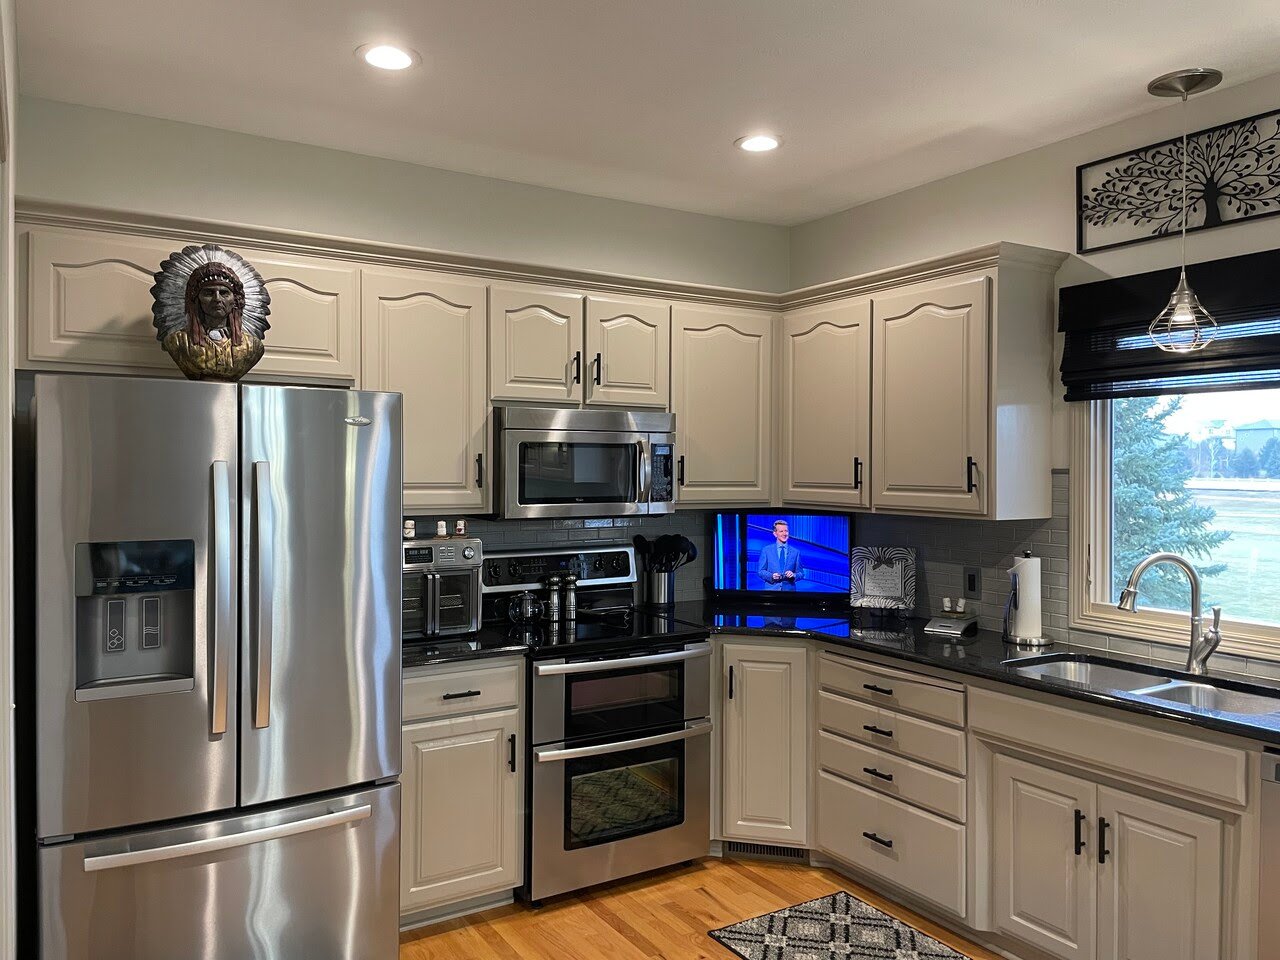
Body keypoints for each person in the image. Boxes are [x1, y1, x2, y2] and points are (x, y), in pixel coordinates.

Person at [756, 519, 804, 591]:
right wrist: (771, 576)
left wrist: (793, 575)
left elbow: (801, 573)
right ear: (775, 534)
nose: (784, 534)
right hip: (771, 592)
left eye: (786, 531)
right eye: (781, 531)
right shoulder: (766, 550)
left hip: (789, 593)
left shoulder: (796, 552)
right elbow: (761, 571)